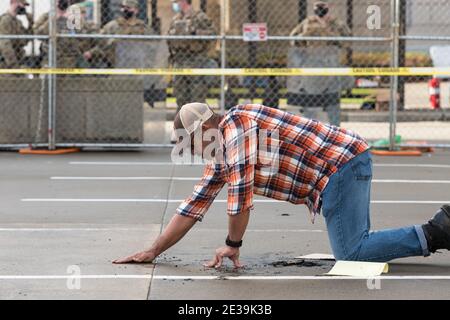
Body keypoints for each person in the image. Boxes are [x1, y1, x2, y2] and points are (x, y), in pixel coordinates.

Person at [114, 103, 450, 267]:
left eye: (191, 145)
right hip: (336, 169)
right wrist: (153, 250)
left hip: (341, 165)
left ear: (205, 130)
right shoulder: (222, 151)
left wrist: (233, 243)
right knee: (353, 247)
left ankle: (437, 231)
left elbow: (239, 200)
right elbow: (194, 204)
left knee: (352, 253)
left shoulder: (238, 131)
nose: (193, 153)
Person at [288, 0, 351, 127]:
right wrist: (305, 34)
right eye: (317, 5)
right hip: (311, 65)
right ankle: (310, 129)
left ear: (329, 6)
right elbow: (293, 39)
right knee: (308, 101)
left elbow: (347, 41)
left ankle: (335, 130)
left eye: (323, 5)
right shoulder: (308, 22)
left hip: (330, 65)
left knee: (332, 100)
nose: (320, 8)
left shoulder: (336, 23)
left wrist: (328, 34)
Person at [168, 0, 216, 111]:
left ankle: (197, 124)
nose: (175, 4)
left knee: (197, 94)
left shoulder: (199, 17)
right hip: (179, 60)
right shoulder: (176, 19)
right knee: (180, 94)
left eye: (177, 2)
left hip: (196, 60)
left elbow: (212, 33)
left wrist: (195, 32)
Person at [83, 0, 153, 68]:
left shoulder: (143, 27)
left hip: (138, 63)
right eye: (123, 7)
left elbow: (152, 46)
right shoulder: (113, 25)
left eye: (128, 8)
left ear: (136, 10)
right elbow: (102, 43)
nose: (125, 10)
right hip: (116, 62)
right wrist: (91, 52)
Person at [33, 0, 97, 68]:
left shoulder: (74, 17)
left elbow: (85, 35)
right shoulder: (46, 16)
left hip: (72, 59)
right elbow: (38, 34)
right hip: (51, 57)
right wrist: (53, 19)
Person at [0, 0, 33, 69]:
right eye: (22, 4)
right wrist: (14, 66)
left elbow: (24, 41)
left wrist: (31, 24)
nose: (24, 7)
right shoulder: (5, 20)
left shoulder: (18, 22)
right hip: (7, 64)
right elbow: (5, 45)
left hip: (18, 60)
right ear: (14, 2)